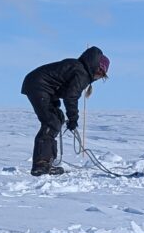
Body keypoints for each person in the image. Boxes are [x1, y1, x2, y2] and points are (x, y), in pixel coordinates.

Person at [21, 46, 109, 176]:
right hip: (38, 86)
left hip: (42, 87)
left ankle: (48, 163)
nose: (99, 77)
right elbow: (71, 96)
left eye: (102, 76)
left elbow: (59, 83)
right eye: (101, 73)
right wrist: (73, 118)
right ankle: (40, 164)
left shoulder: (78, 67)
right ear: (97, 67)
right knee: (50, 123)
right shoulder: (81, 73)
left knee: (57, 119)